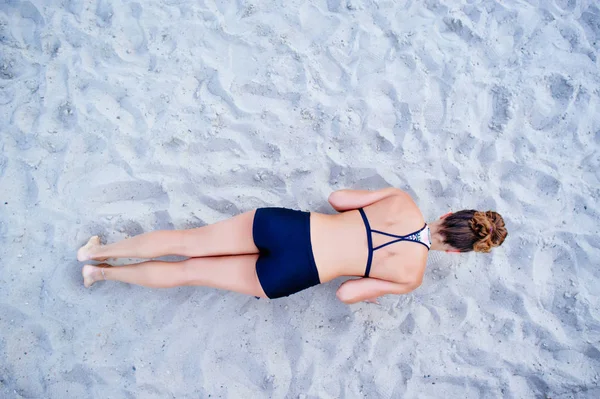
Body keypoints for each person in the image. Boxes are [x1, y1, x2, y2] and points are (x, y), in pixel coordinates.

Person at [77, 188, 507, 303]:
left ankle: (96, 251)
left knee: (187, 242)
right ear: (456, 251)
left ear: (450, 215)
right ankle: (100, 274)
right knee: (191, 271)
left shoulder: (402, 201)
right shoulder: (411, 276)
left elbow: (339, 199)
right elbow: (347, 293)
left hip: (289, 229)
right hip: (294, 273)